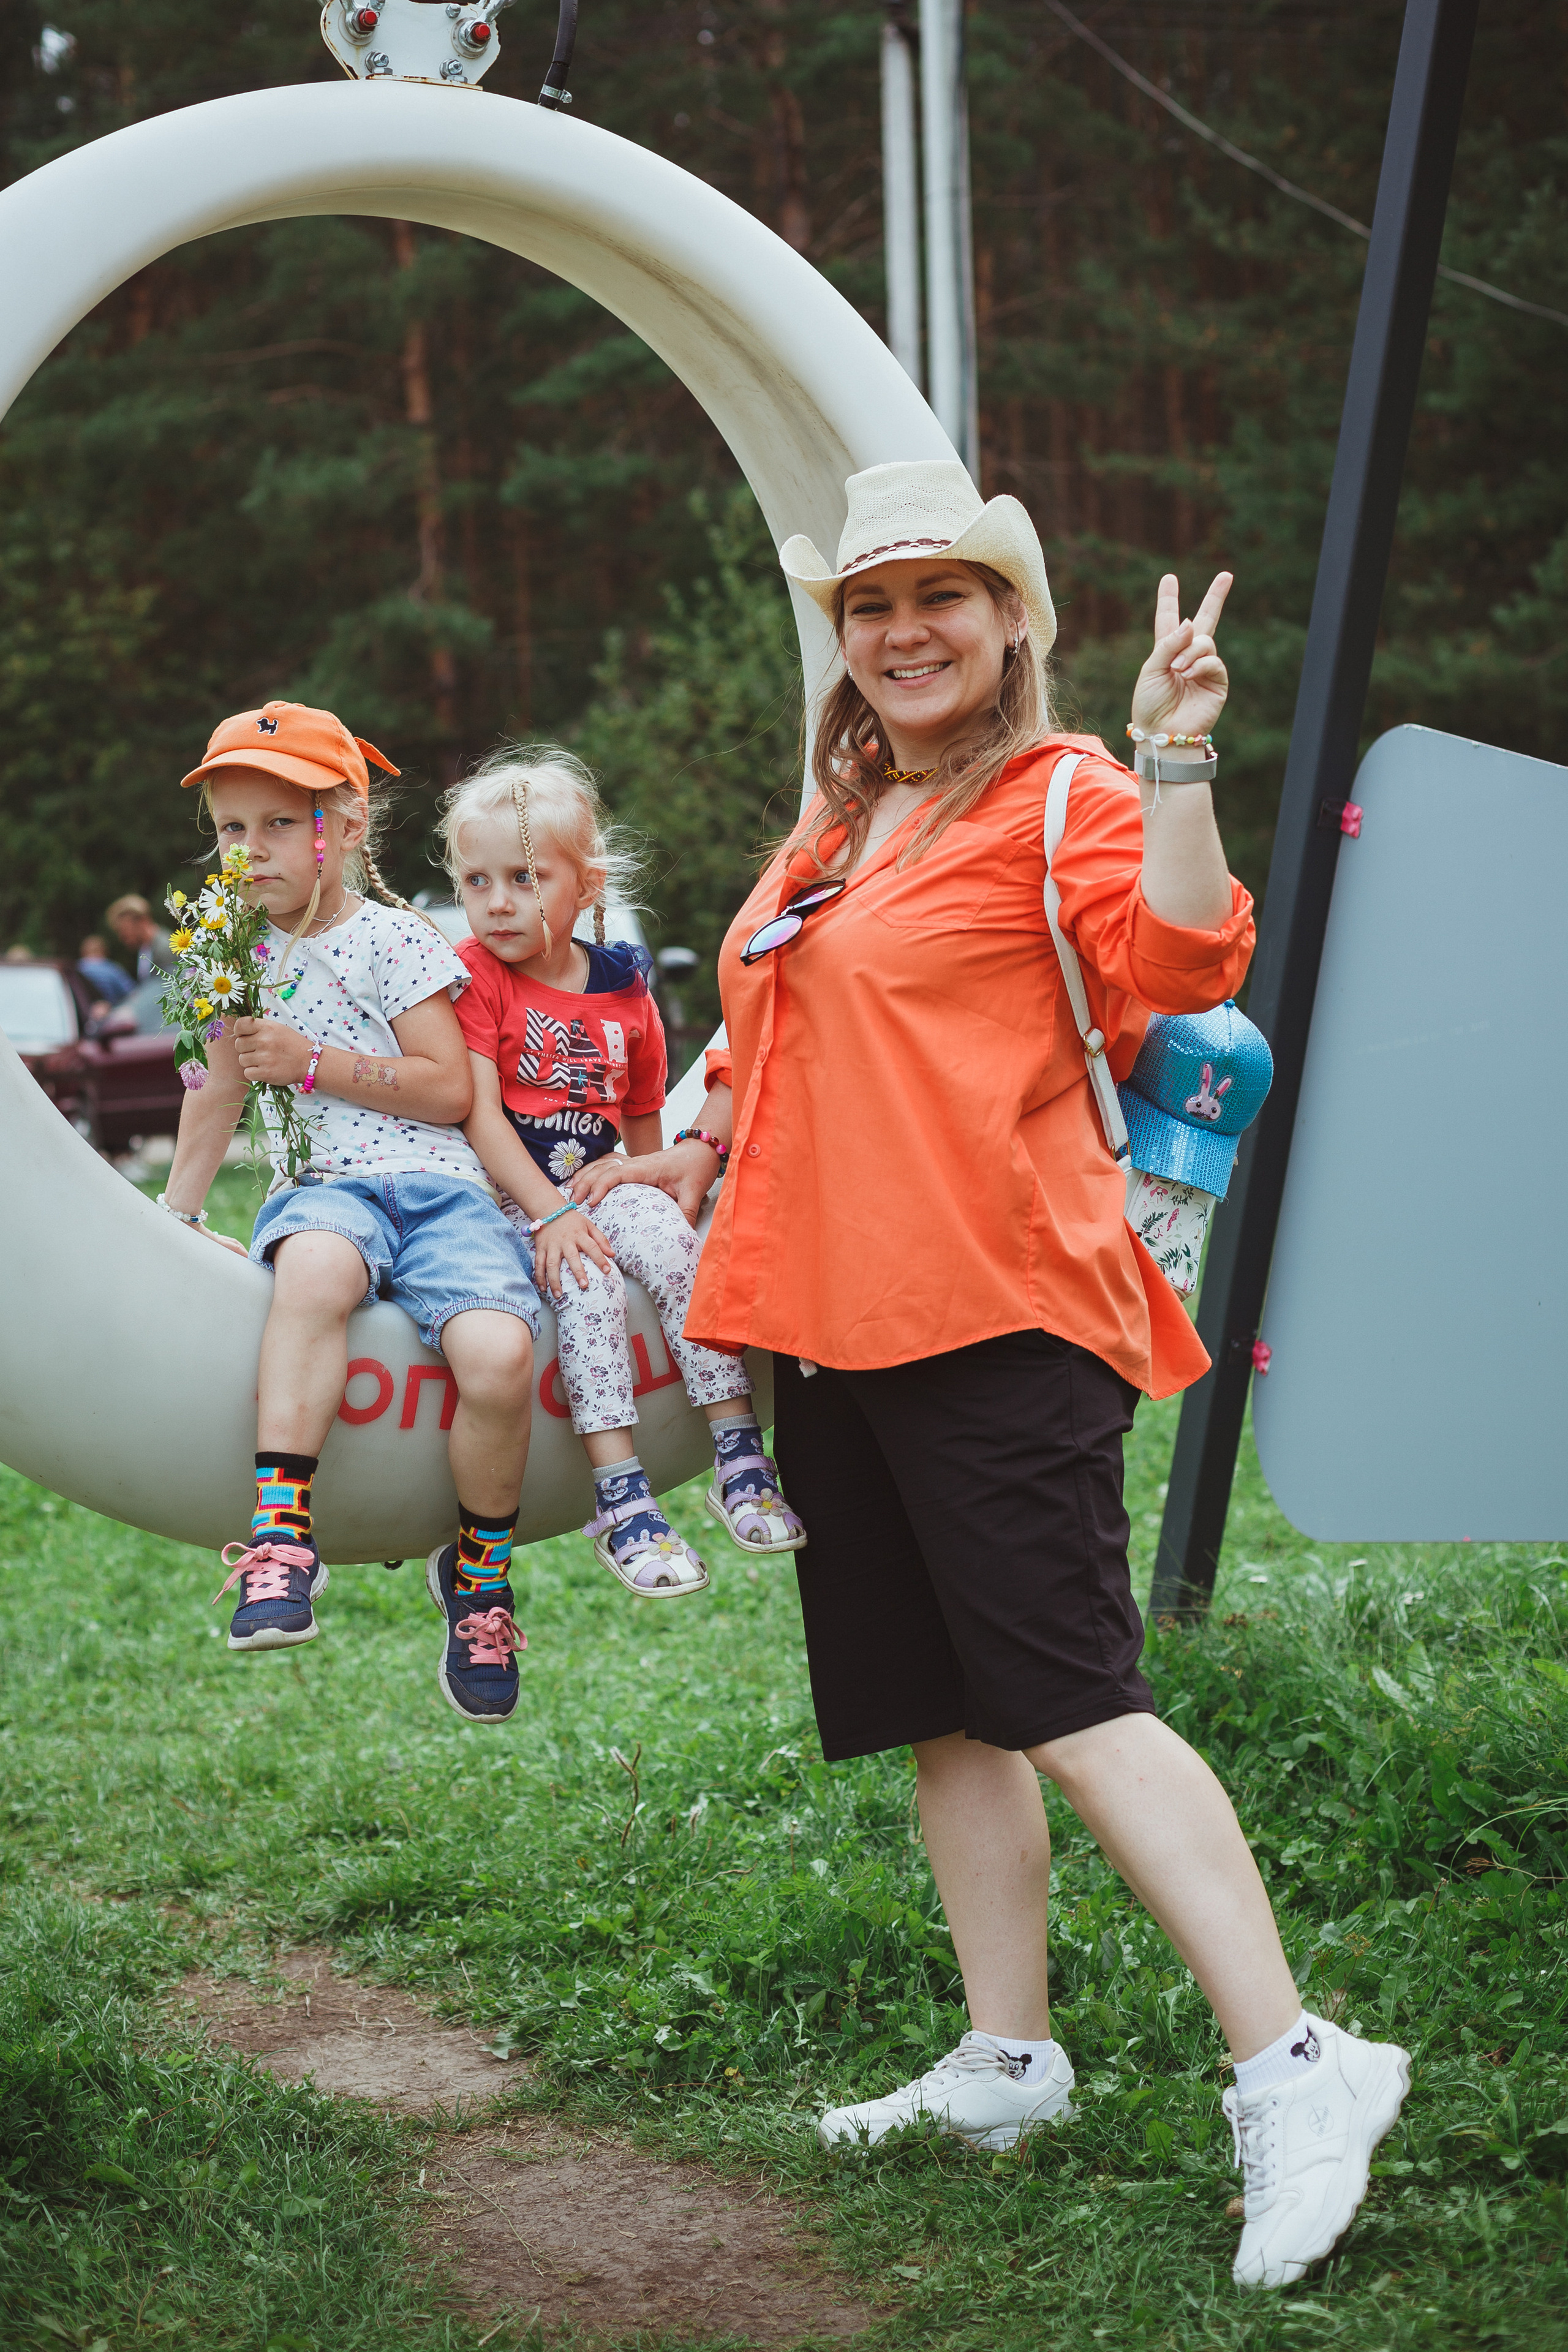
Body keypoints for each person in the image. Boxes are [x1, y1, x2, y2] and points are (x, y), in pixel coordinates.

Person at [571, 461, 1409, 2291]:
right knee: (941, 1700)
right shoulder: (842, 821)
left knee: (1064, 1689)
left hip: (1001, 1306)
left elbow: (1185, 950)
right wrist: (683, 1134)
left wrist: (1177, 749)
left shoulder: (1067, 798)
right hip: (825, 1315)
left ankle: (1297, 2061)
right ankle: (1006, 2056)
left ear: (1009, 618)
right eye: (871, 607)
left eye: (939, 597)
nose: (902, 631)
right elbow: (780, 1012)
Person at [156, 699, 540, 1724]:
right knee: (316, 1273)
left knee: (501, 1355)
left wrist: (318, 1062)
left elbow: (451, 1090)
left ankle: (481, 1578)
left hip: (442, 1190)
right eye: (232, 829)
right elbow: (214, 1095)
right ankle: (283, 1538)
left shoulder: (395, 940)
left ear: (350, 826)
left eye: (281, 825)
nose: (251, 852)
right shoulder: (224, 952)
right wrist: (178, 1215)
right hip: (324, 1189)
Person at [440, 747, 804, 1597]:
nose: (497, 903)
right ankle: (621, 1494)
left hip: (603, 1181)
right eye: (476, 881)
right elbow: (479, 1115)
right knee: (591, 1288)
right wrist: (546, 1214)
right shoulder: (475, 980)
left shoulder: (622, 986)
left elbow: (641, 1109)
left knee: (678, 1249)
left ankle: (737, 1450)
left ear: (586, 885)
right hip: (512, 1198)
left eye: (524, 878)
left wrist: (642, 1174)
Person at [105, 894, 176, 983]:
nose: (122, 937)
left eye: (123, 930)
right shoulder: (146, 949)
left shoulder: (166, 948)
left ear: (142, 921)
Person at [77, 934, 134, 1008]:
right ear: (104, 951)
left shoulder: (77, 969)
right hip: (111, 1012)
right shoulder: (112, 969)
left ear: (83, 952)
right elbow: (132, 993)